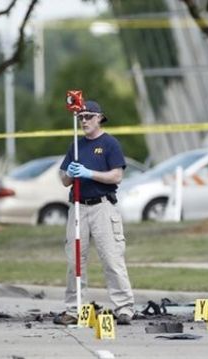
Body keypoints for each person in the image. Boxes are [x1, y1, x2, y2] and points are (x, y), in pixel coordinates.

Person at [54, 100, 135, 326]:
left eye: (88, 116)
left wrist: (90, 173)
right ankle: (73, 308)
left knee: (111, 258)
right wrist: (70, 174)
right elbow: (64, 180)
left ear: (99, 117)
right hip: (78, 207)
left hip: (102, 206)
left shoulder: (110, 144)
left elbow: (117, 176)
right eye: (81, 117)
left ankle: (124, 308)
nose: (84, 121)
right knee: (75, 261)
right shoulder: (76, 146)